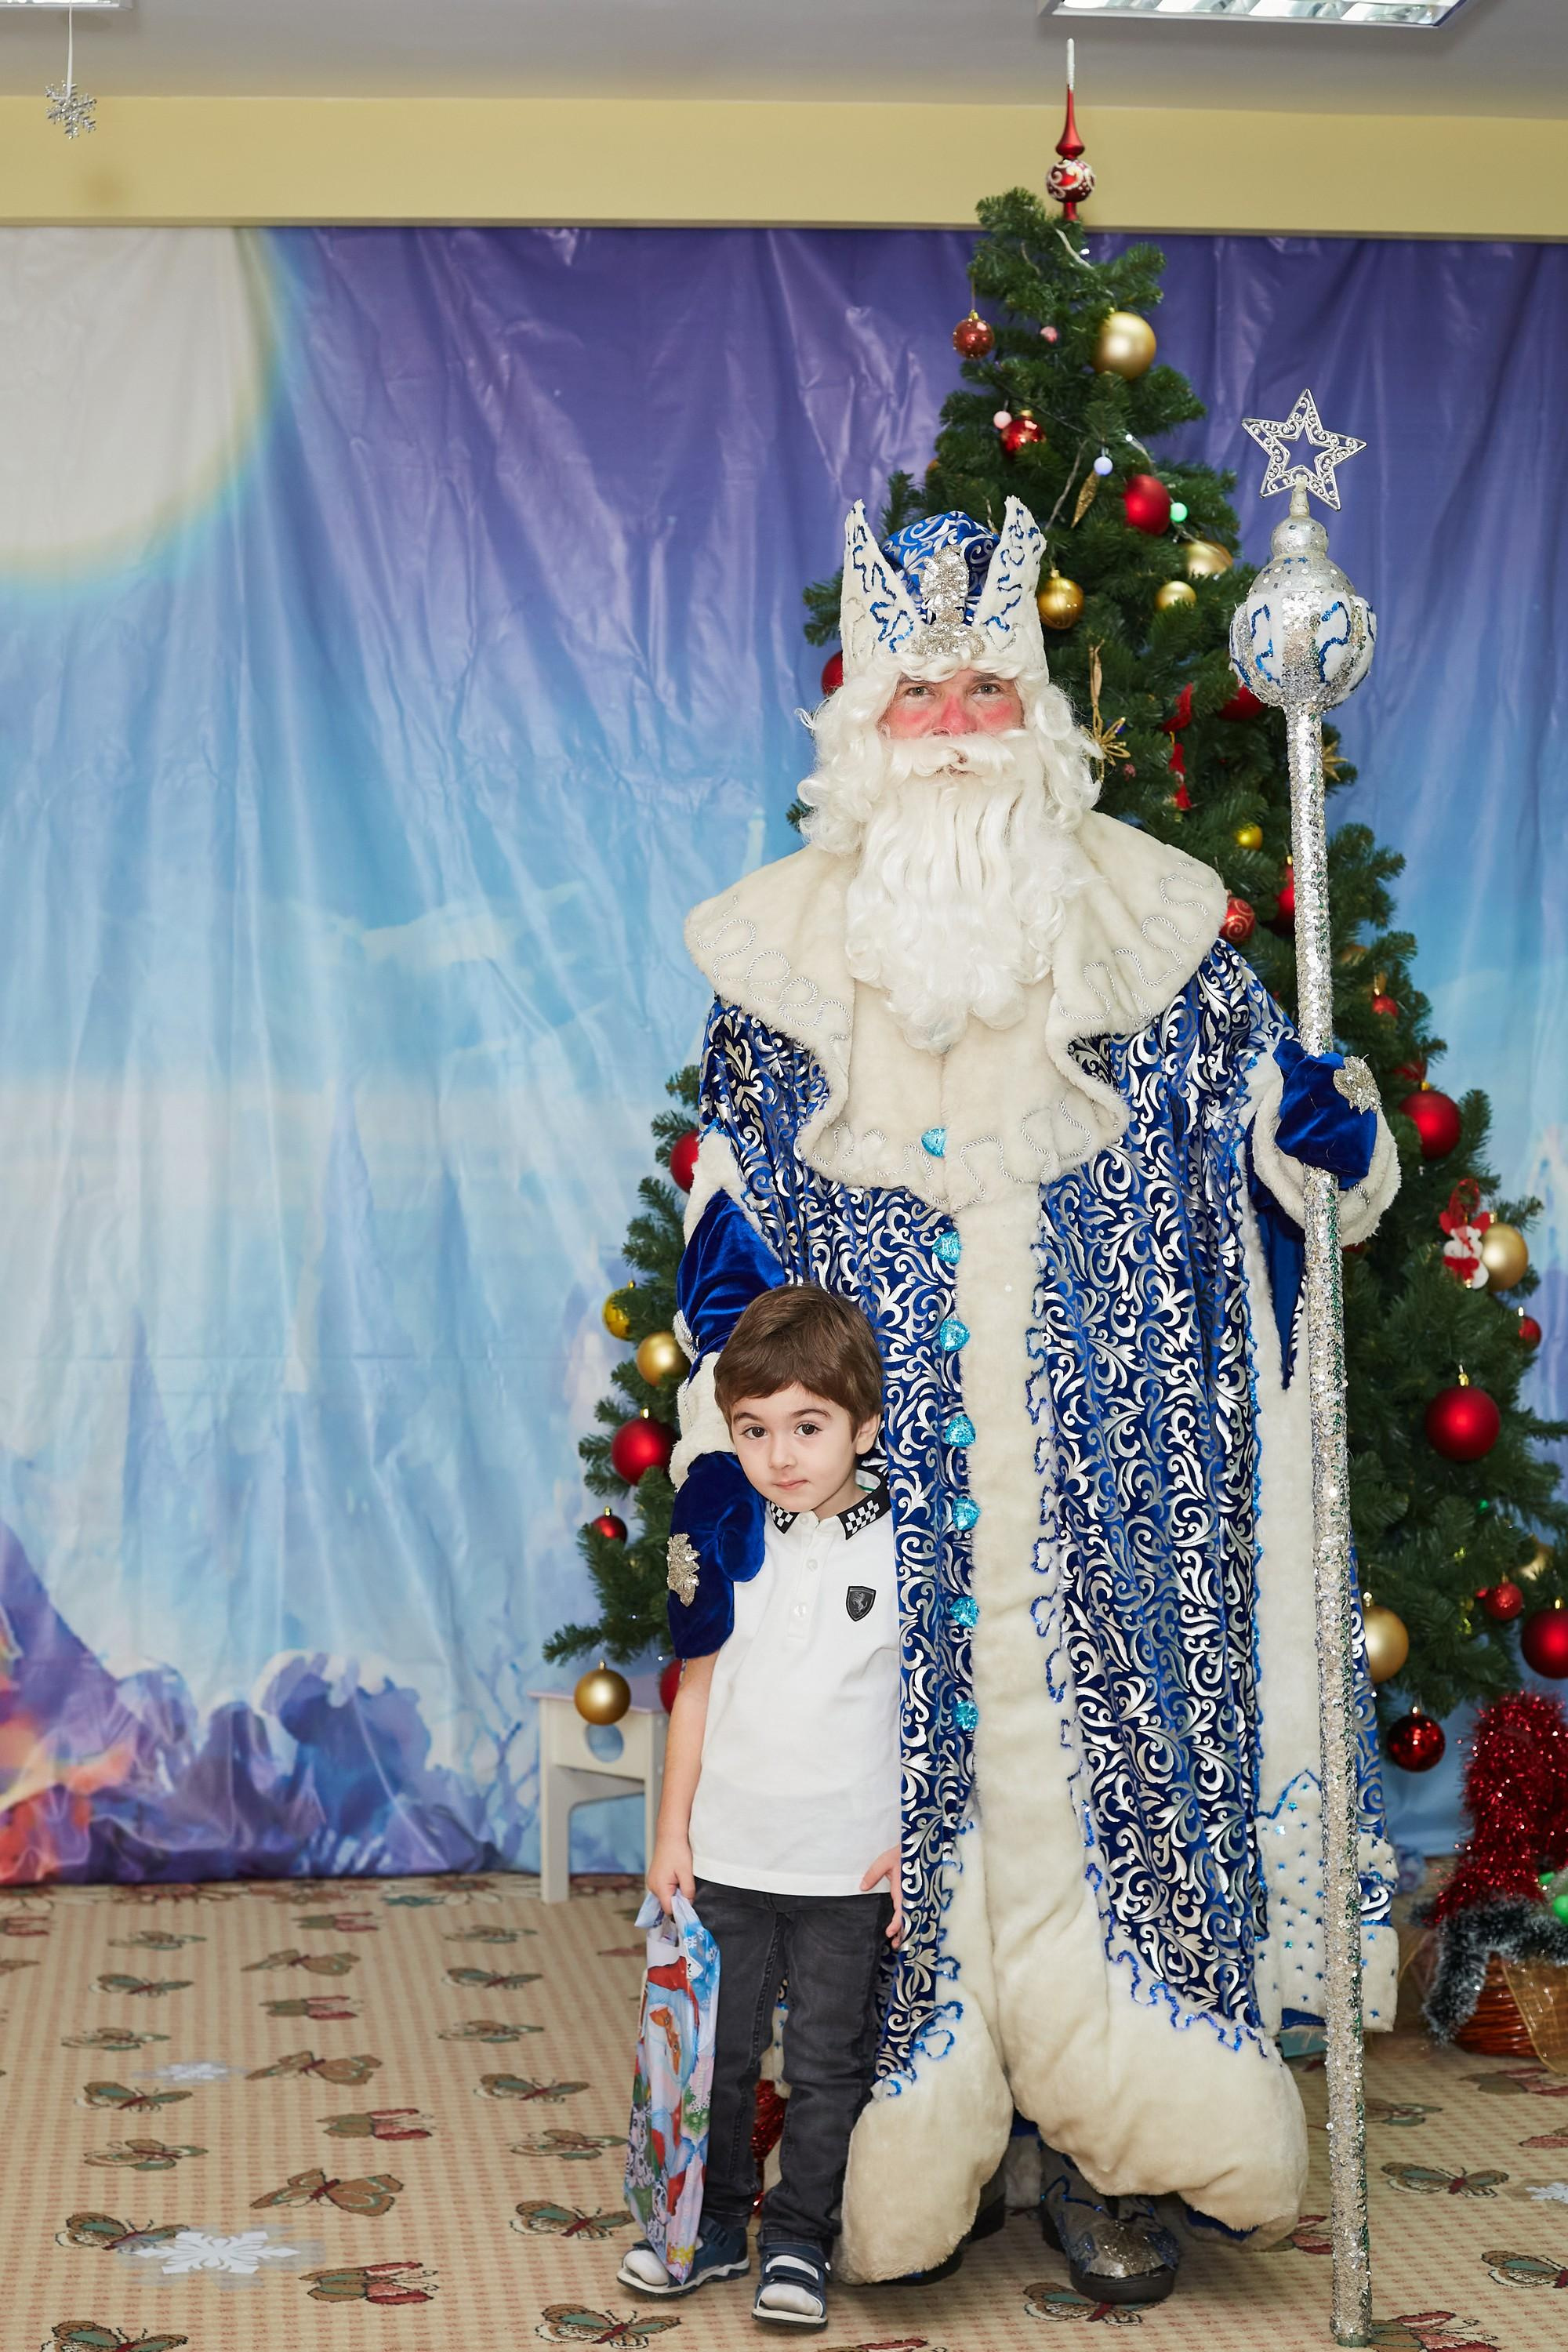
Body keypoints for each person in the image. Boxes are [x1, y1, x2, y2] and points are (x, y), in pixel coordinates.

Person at [659, 499, 1402, 2305]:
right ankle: (905, 2144)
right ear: (863, 730)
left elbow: (1303, 1175)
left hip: (1117, 1494)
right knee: (877, 1826)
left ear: (1043, 714)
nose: (957, 720)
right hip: (877, 1512)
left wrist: (1330, 1139)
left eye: (990, 684)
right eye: (922, 693)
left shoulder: (1154, 942)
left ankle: (1109, 2138)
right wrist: (735, 1458)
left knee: (1117, 1801)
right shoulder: (780, 983)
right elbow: (723, 1227)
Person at [620, 1282, 900, 2330]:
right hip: (730, 1856)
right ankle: (713, 2228)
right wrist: (671, 1833)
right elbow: (696, 1695)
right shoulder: (728, 1538)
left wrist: (913, 1847)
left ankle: (798, 2242)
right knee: (718, 2062)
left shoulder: (903, 1553)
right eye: (755, 1429)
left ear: (863, 1427)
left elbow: (929, 1720)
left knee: (827, 2067)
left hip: (844, 1871)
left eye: (809, 1426)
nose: (781, 1454)